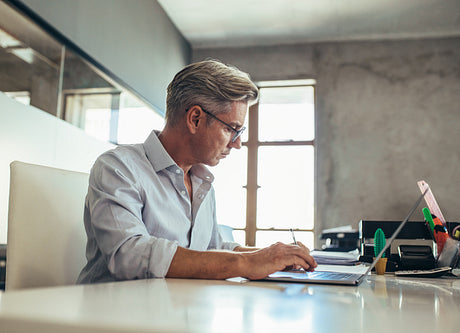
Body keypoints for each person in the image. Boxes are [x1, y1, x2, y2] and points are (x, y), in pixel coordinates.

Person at [77, 60, 317, 283]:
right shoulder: (118, 168)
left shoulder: (201, 181)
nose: (237, 144)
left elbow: (211, 248)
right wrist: (247, 262)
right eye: (232, 129)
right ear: (195, 119)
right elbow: (128, 254)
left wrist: (273, 256)